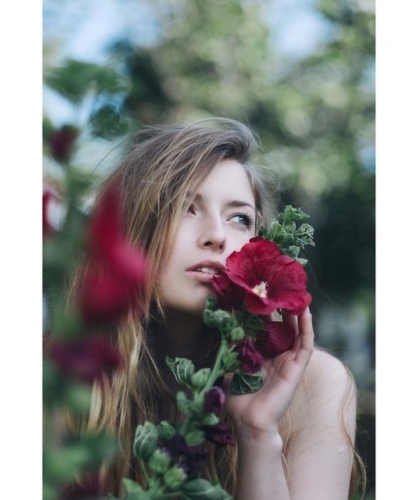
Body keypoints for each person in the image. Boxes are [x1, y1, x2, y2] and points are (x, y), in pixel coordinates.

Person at [72, 118, 364, 499]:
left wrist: (259, 435)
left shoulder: (315, 384)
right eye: (184, 208)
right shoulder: (61, 377)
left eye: (239, 218)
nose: (217, 235)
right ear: (129, 231)